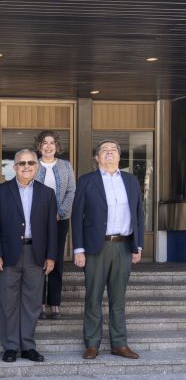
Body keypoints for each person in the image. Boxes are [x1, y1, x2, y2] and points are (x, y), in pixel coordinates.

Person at [72, 139, 144, 360]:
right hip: (96, 247)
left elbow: (139, 214)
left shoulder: (131, 181)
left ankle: (119, 343)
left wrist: (138, 245)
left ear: (119, 156)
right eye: (105, 150)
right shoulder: (86, 181)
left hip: (123, 245)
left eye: (113, 150)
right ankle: (92, 343)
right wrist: (78, 249)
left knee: (118, 298)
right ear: (97, 157)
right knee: (93, 296)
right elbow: (76, 216)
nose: (109, 153)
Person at [0, 149, 56, 363]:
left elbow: (52, 228)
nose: (26, 166)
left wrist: (51, 256)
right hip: (9, 254)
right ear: (14, 167)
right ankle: (10, 346)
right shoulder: (0, 191)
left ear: (36, 166)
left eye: (31, 163)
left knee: (32, 302)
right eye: (22, 163)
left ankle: (27, 345)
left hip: (36, 253)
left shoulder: (47, 193)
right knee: (8, 302)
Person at [34, 130, 76, 320]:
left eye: (52, 143)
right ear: (39, 146)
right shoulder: (32, 165)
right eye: (45, 142)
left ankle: (55, 303)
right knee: (39, 261)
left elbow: (71, 192)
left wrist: (59, 213)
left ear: (57, 146)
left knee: (56, 261)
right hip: (37, 222)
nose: (48, 146)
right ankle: (40, 303)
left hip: (60, 220)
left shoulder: (66, 166)